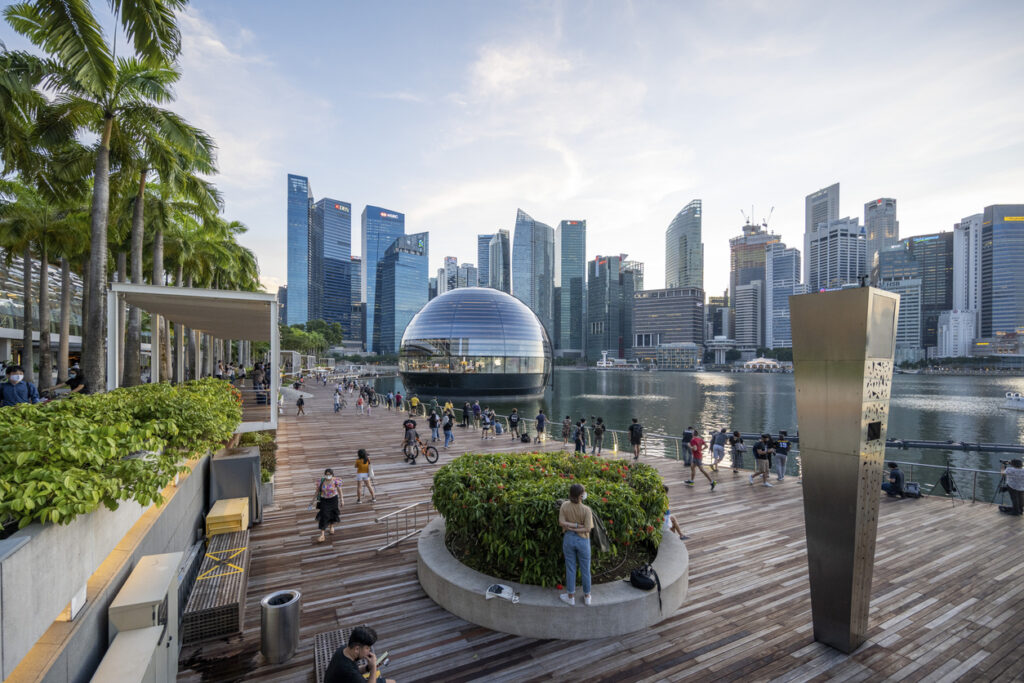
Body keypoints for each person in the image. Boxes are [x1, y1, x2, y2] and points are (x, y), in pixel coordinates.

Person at [558, 483, 593, 606]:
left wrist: (570, 528)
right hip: (583, 540)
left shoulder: (564, 506)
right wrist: (578, 526)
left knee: (570, 568)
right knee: (585, 569)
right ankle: (587, 596)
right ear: (581, 496)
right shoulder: (586, 510)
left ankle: (570, 597)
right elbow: (588, 529)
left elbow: (561, 522)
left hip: (568, 539)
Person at [323, 625, 396, 683]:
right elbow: (352, 673)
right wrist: (373, 668)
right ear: (357, 649)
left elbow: (355, 669)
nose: (369, 650)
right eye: (367, 648)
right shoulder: (350, 673)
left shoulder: (344, 649)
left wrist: (368, 667)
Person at [313, 468, 344, 543]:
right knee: (324, 515)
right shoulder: (321, 481)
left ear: (332, 475)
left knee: (332, 513)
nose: (328, 476)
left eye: (329, 474)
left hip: (333, 499)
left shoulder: (336, 481)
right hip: (324, 500)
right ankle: (322, 535)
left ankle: (331, 526)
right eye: (326, 474)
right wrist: (312, 500)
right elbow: (317, 491)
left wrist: (342, 500)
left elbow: (340, 491)